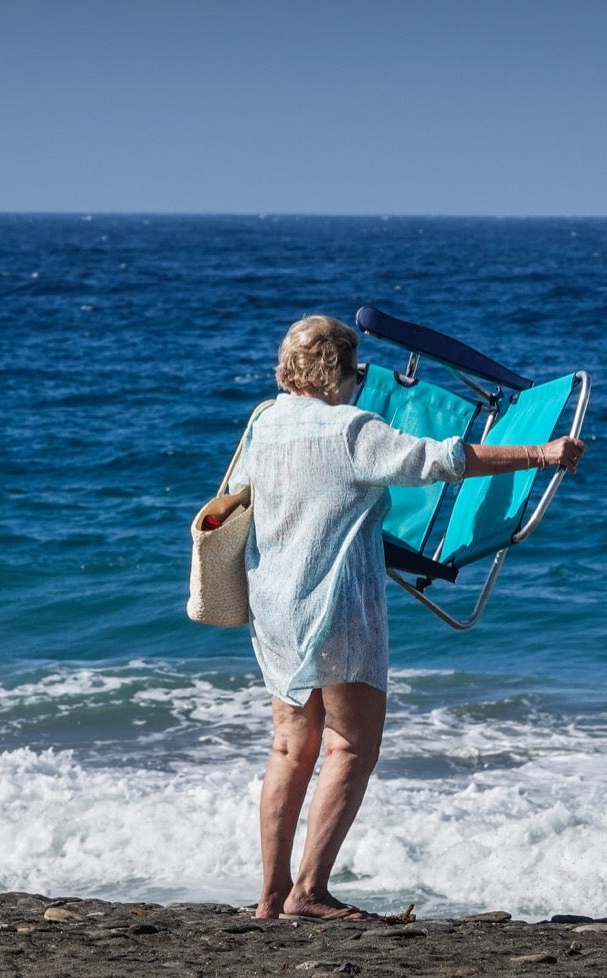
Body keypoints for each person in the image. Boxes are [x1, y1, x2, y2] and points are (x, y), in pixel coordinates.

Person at [228, 314, 585, 921]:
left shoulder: (266, 421)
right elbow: (442, 459)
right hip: (337, 606)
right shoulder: (350, 429)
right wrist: (541, 452)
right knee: (349, 745)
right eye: (356, 367)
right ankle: (308, 894)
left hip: (275, 607)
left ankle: (269, 895)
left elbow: (239, 496)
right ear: (340, 370)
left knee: (289, 748)